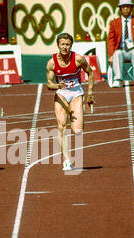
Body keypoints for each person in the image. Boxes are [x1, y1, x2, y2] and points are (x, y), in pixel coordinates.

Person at [46, 32, 94, 171]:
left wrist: (90, 93)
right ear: (58, 45)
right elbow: (49, 84)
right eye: (62, 44)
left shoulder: (78, 59)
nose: (65, 47)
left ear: (71, 45)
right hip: (61, 94)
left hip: (76, 94)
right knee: (61, 126)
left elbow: (90, 73)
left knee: (77, 130)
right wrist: (57, 86)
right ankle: (67, 160)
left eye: (67, 44)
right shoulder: (52, 63)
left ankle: (78, 113)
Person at [107, 0, 134, 87]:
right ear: (120, 9)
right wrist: (110, 55)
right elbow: (111, 40)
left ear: (131, 8)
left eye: (128, 7)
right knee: (116, 54)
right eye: (123, 7)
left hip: (133, 50)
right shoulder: (114, 23)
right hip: (121, 50)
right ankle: (117, 79)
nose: (125, 9)